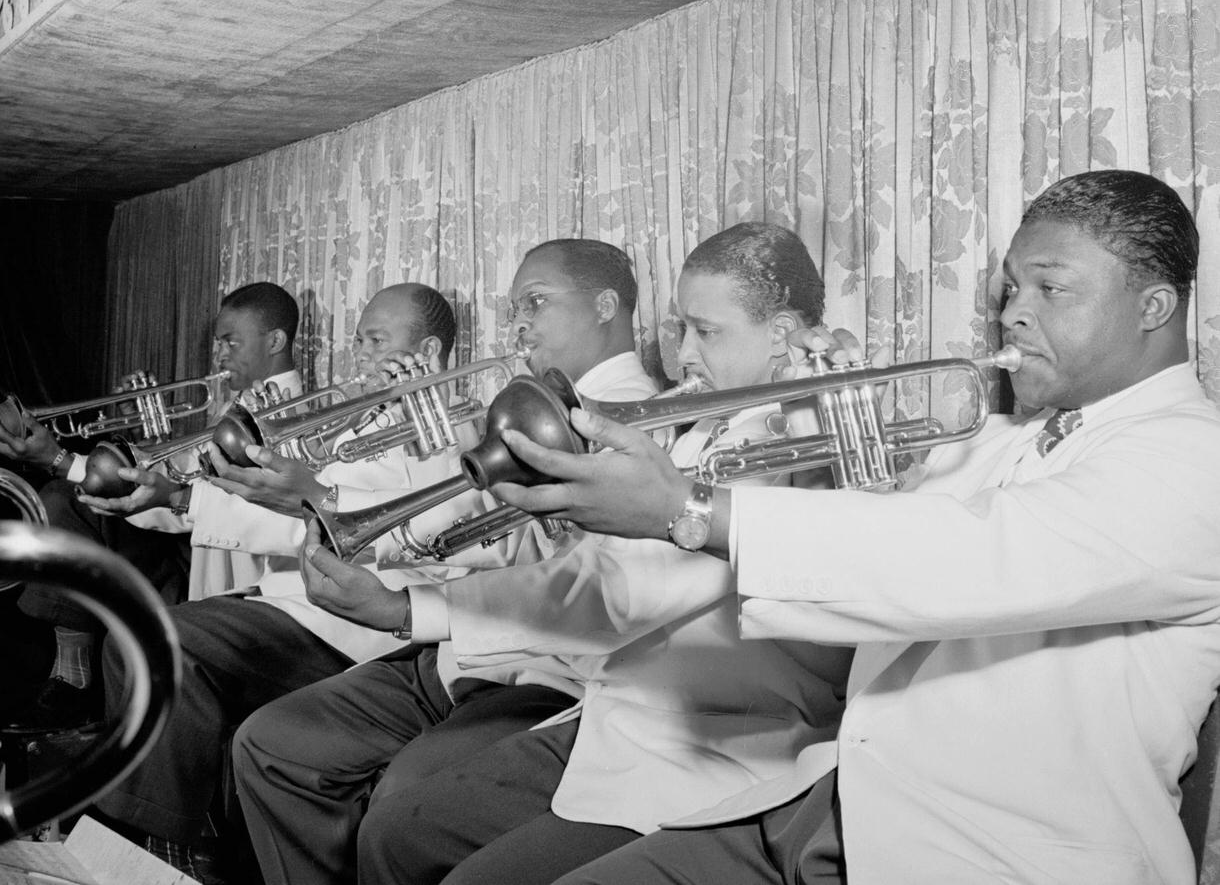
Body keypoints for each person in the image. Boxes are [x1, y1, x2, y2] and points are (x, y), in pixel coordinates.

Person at [486, 170, 1220, 885]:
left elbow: (963, 556)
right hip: (836, 798)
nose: (1013, 312)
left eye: (1050, 288)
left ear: (1153, 306)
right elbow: (887, 528)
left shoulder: (1196, 457)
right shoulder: (1003, 435)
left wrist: (688, 509)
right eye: (1011, 286)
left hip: (993, 847)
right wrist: (830, 437)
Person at [243, 225, 850, 885]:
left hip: (707, 745)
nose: (683, 351)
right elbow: (509, 533)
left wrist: (404, 606)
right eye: (681, 328)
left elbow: (621, 591)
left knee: (428, 847)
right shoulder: (699, 421)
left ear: (785, 332)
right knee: (397, 831)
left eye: (707, 331)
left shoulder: (788, 438)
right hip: (614, 713)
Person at [232, 238, 664, 885]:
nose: (518, 323)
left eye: (536, 303)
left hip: (554, 677)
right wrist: (361, 529)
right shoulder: (532, 403)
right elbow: (467, 526)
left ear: (606, 305)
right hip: (460, 650)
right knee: (269, 742)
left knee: (403, 814)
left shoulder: (643, 426)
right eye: (514, 306)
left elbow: (589, 593)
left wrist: (403, 603)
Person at [90, 282, 459, 880]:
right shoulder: (358, 423)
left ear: (430, 350)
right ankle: (168, 842)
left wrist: (286, 496)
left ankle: (162, 853)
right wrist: (183, 497)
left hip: (355, 627)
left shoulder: (444, 436)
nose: (360, 354)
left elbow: (414, 530)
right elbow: (285, 512)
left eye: (376, 340)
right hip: (292, 603)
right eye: (358, 339)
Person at [0, 281, 302, 730]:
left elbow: (187, 495)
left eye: (231, 341)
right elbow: (179, 471)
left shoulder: (288, 416)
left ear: (275, 341)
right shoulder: (237, 404)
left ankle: (75, 683)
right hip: (188, 540)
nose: (219, 355)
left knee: (64, 496)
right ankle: (71, 674)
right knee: (63, 498)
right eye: (217, 343)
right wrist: (69, 457)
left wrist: (62, 460)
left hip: (216, 565)